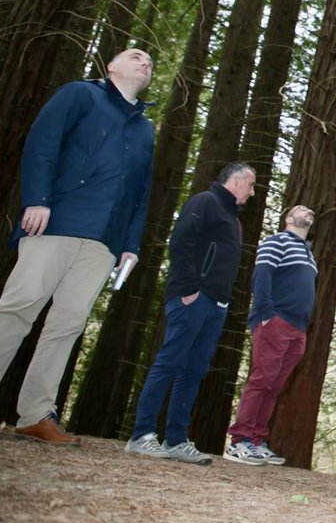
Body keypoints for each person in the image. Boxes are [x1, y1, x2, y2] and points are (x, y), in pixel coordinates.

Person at [0, 48, 155, 445]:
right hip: (57, 221)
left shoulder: (145, 129)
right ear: (111, 66)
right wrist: (37, 199)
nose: (145, 63)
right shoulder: (81, 94)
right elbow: (42, 144)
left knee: (68, 324)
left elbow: (141, 192)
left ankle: (35, 414)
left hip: (104, 243)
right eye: (136, 56)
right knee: (17, 309)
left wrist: (130, 244)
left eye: (151, 63)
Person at [124, 162, 256, 465]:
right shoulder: (205, 202)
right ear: (237, 181)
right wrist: (188, 288)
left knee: (194, 370)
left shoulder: (232, 217)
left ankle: (176, 439)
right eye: (250, 185)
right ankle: (142, 434)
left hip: (217, 304)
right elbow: (181, 242)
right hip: (193, 298)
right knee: (169, 362)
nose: (252, 192)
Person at [224, 204, 317, 465]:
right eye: (301, 209)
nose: (308, 212)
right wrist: (265, 312)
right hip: (275, 321)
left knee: (274, 386)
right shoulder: (277, 241)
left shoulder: (309, 254)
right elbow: (262, 274)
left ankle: (256, 440)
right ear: (288, 218)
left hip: (298, 328)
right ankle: (240, 440)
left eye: (311, 211)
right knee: (261, 380)